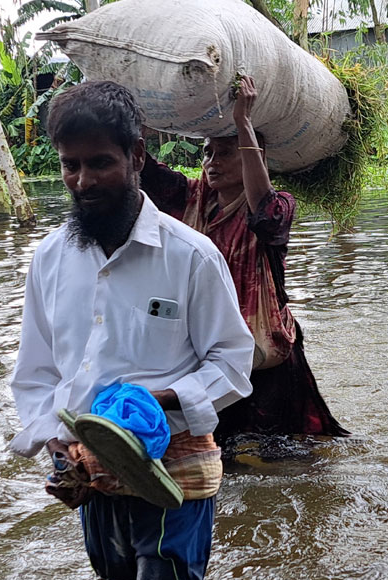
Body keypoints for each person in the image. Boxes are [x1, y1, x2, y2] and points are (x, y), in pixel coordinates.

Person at [9, 81, 255, 580]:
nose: (83, 181)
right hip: (90, 469)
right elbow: (38, 372)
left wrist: (158, 401)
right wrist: (58, 448)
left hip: (175, 469)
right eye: (70, 165)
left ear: (137, 155)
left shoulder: (191, 256)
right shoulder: (49, 259)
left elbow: (233, 362)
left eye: (100, 163)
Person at [140, 76, 348, 453]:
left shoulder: (280, 207)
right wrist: (137, 115)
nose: (212, 162)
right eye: (207, 152)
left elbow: (263, 212)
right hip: (210, 354)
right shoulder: (192, 200)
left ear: (254, 157)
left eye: (225, 152)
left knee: (282, 452)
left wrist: (243, 122)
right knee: (221, 452)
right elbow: (147, 174)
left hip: (264, 357)